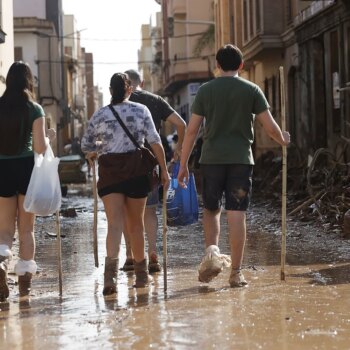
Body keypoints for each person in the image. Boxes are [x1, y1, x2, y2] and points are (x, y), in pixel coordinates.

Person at [177, 45, 290, 287]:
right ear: (241, 65)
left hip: (211, 161)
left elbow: (192, 131)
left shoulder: (206, 91)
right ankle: (236, 273)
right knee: (237, 213)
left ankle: (212, 255)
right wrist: (283, 140)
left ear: (216, 65)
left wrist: (183, 163)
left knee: (211, 209)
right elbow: (269, 127)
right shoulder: (251, 90)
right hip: (240, 161)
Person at [81, 73, 170, 295]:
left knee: (114, 225)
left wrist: (96, 152)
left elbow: (86, 145)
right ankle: (141, 277)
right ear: (129, 89)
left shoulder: (100, 115)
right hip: (136, 172)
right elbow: (155, 141)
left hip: (110, 173)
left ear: (111, 91)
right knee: (136, 226)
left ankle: (109, 280)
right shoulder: (141, 111)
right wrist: (164, 170)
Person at [0, 61, 56, 300]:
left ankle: (1, 265)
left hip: (2, 167)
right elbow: (40, 147)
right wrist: (49, 137)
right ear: (28, 81)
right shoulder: (35, 109)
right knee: (26, 229)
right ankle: (24, 283)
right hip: (26, 169)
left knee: (3, 230)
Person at [122, 69, 186, 273]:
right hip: (150, 163)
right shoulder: (155, 100)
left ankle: (130, 256)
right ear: (141, 81)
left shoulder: (117, 101)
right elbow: (181, 124)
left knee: (127, 211)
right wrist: (179, 149)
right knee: (149, 210)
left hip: (123, 165)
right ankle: (152, 251)